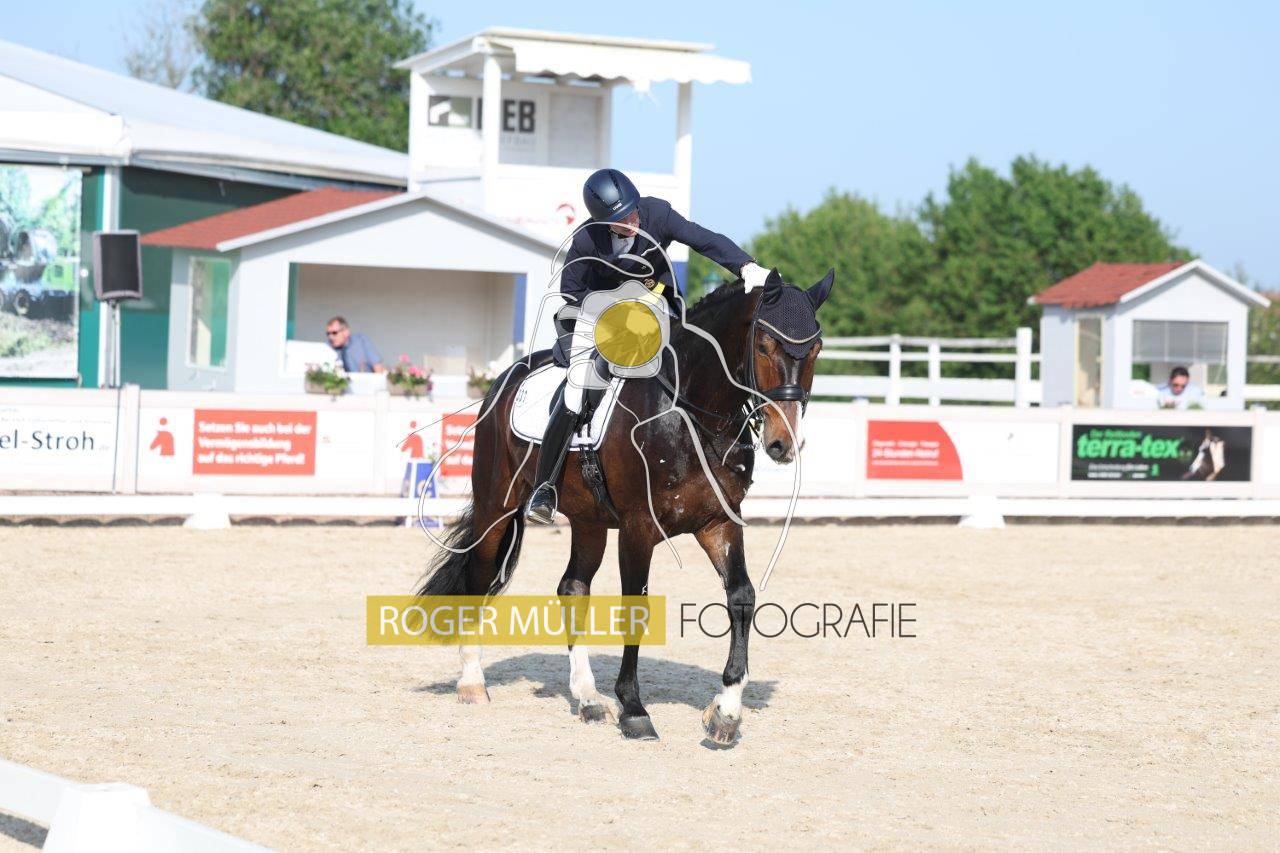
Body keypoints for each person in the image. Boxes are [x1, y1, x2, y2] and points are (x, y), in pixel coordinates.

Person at [525, 168, 772, 524]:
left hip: (654, 306)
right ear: (603, 222)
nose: (631, 223)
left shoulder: (658, 214)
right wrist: (614, 309)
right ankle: (545, 487)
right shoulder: (586, 240)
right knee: (576, 391)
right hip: (600, 316)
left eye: (632, 214)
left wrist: (745, 266)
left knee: (695, 364)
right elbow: (571, 291)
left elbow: (703, 239)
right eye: (621, 221)